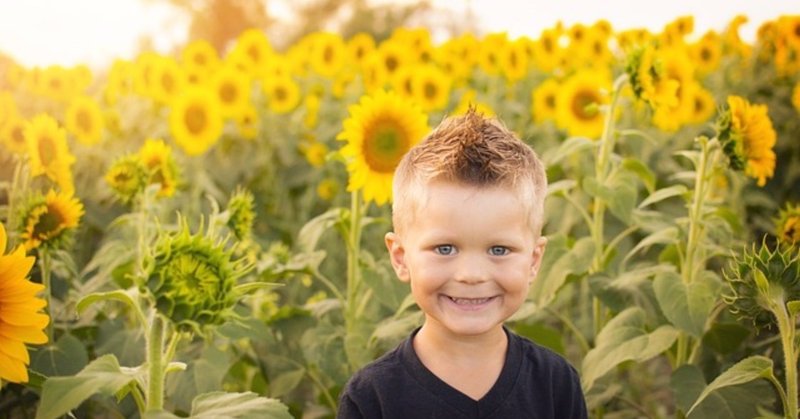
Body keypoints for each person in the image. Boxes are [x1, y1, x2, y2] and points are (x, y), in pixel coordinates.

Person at [337, 108, 587, 418]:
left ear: (533, 261)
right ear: (401, 257)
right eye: (444, 248)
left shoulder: (555, 384)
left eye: (498, 250)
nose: (471, 275)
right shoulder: (374, 397)